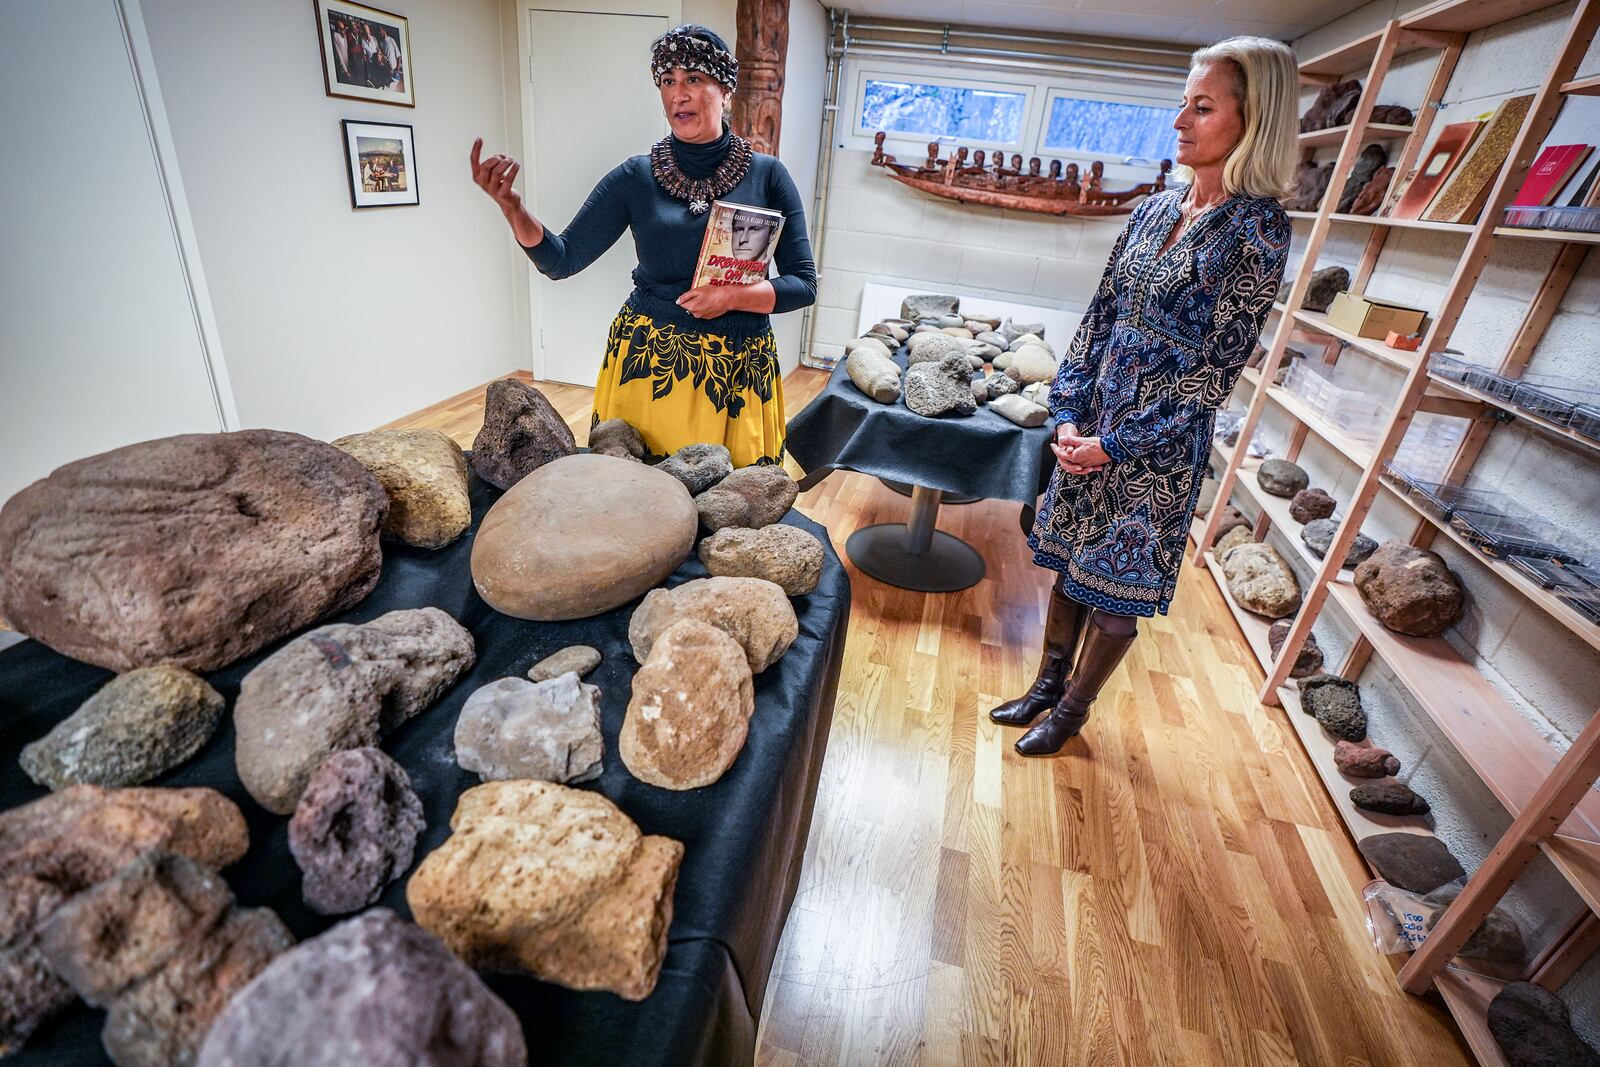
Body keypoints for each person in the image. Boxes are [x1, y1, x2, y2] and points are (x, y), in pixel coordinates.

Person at [991, 36, 1297, 756]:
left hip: (1154, 452)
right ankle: (1044, 685)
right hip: (1091, 423)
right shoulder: (1155, 209)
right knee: (1067, 565)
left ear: (1252, 120)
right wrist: (1067, 411)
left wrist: (1116, 444)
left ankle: (1070, 713)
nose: (1179, 121)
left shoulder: (1260, 229)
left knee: (1114, 592)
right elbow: (1099, 314)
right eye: (1182, 103)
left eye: (1202, 106)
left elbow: (1216, 373)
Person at [469, 25, 816, 467]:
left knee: (728, 507)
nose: (678, 95)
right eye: (667, 81)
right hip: (650, 367)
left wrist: (732, 296)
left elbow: (804, 284)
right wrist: (513, 208)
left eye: (693, 79)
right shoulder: (635, 177)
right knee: (637, 503)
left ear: (725, 89)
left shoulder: (769, 176)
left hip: (736, 372)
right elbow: (560, 259)